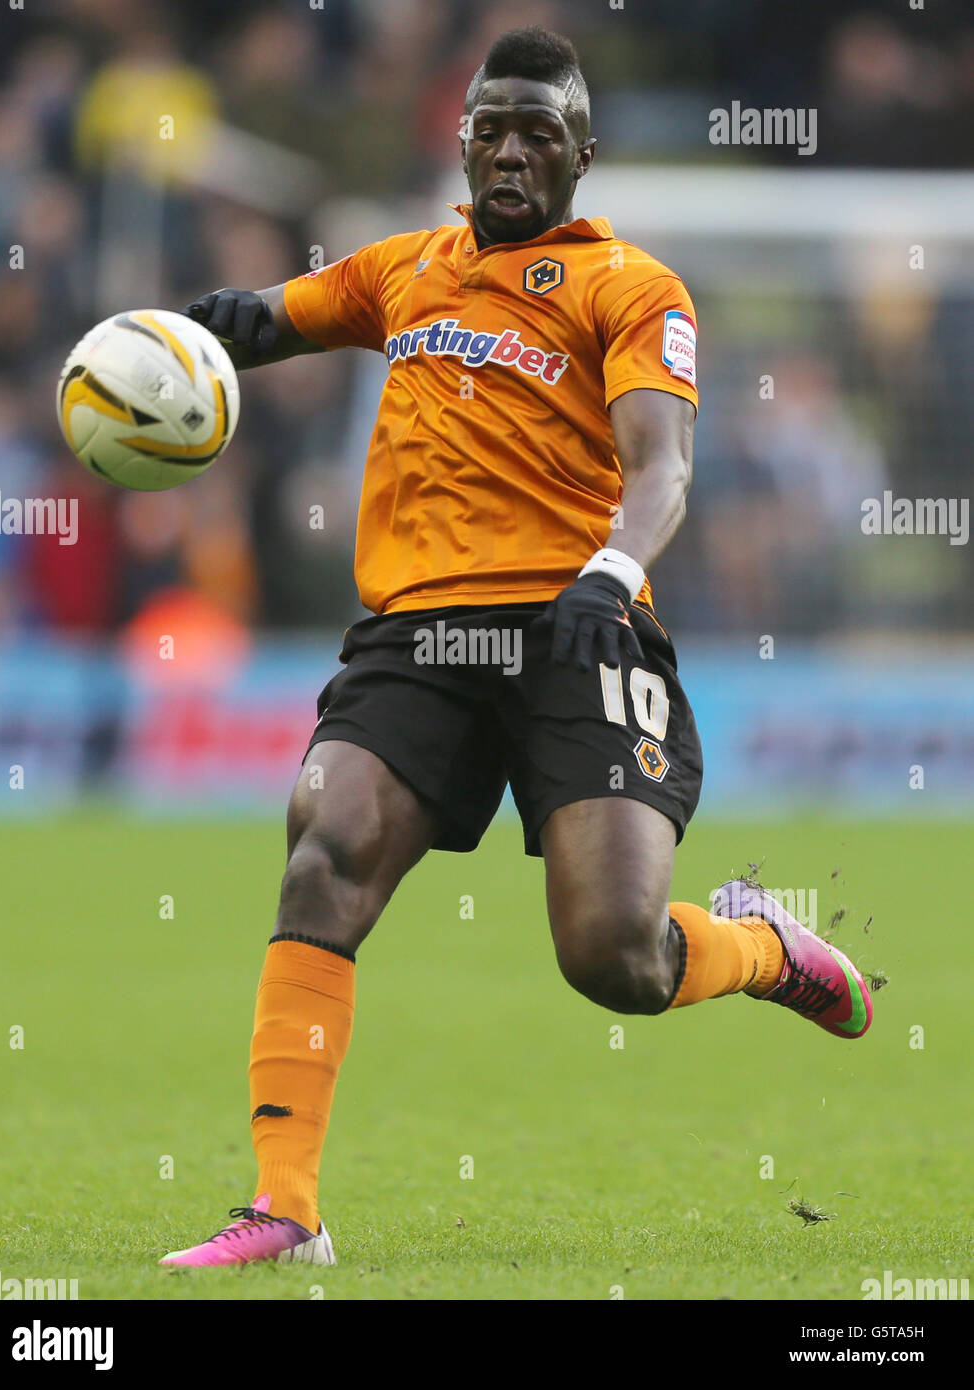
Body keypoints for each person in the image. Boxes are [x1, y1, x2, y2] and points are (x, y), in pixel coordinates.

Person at [159, 26, 872, 1270]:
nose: (510, 149)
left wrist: (610, 568)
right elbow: (264, 320)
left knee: (614, 959)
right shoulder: (400, 272)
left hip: (574, 626)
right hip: (413, 636)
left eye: (539, 131)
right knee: (321, 851)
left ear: (581, 156)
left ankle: (762, 944)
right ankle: (286, 1206)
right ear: (463, 139)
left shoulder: (629, 288)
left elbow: (664, 469)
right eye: (492, 125)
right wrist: (174, 346)